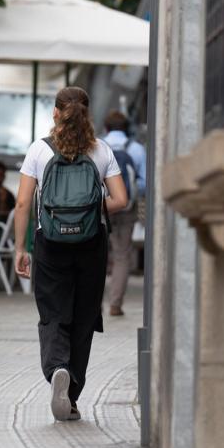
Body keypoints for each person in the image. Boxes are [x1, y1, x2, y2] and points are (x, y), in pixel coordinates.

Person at [13, 87, 127, 422]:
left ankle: (57, 368)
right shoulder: (101, 149)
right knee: (84, 317)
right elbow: (120, 200)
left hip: (49, 243)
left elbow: (22, 203)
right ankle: (72, 396)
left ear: (55, 113)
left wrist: (21, 247)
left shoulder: (39, 149)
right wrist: (89, 211)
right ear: (87, 113)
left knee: (53, 313)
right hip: (92, 243)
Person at [101, 110, 146, 317]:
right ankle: (115, 304)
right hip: (127, 207)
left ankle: (93, 304)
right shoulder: (137, 149)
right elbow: (144, 184)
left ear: (107, 128)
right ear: (126, 128)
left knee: (97, 253)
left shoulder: (97, 146)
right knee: (121, 256)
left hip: (101, 207)